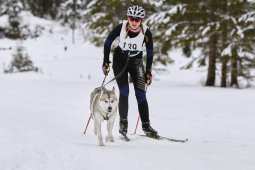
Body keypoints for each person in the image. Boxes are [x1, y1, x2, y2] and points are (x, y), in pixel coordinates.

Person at [102, 5, 158, 138]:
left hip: (136, 62)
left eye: (137, 20)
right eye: (131, 19)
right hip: (119, 61)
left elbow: (150, 53)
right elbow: (107, 43)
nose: (134, 22)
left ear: (141, 20)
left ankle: (146, 125)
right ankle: (123, 124)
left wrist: (148, 71)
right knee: (125, 91)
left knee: (141, 94)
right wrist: (105, 61)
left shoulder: (146, 32)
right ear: (128, 18)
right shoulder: (121, 27)